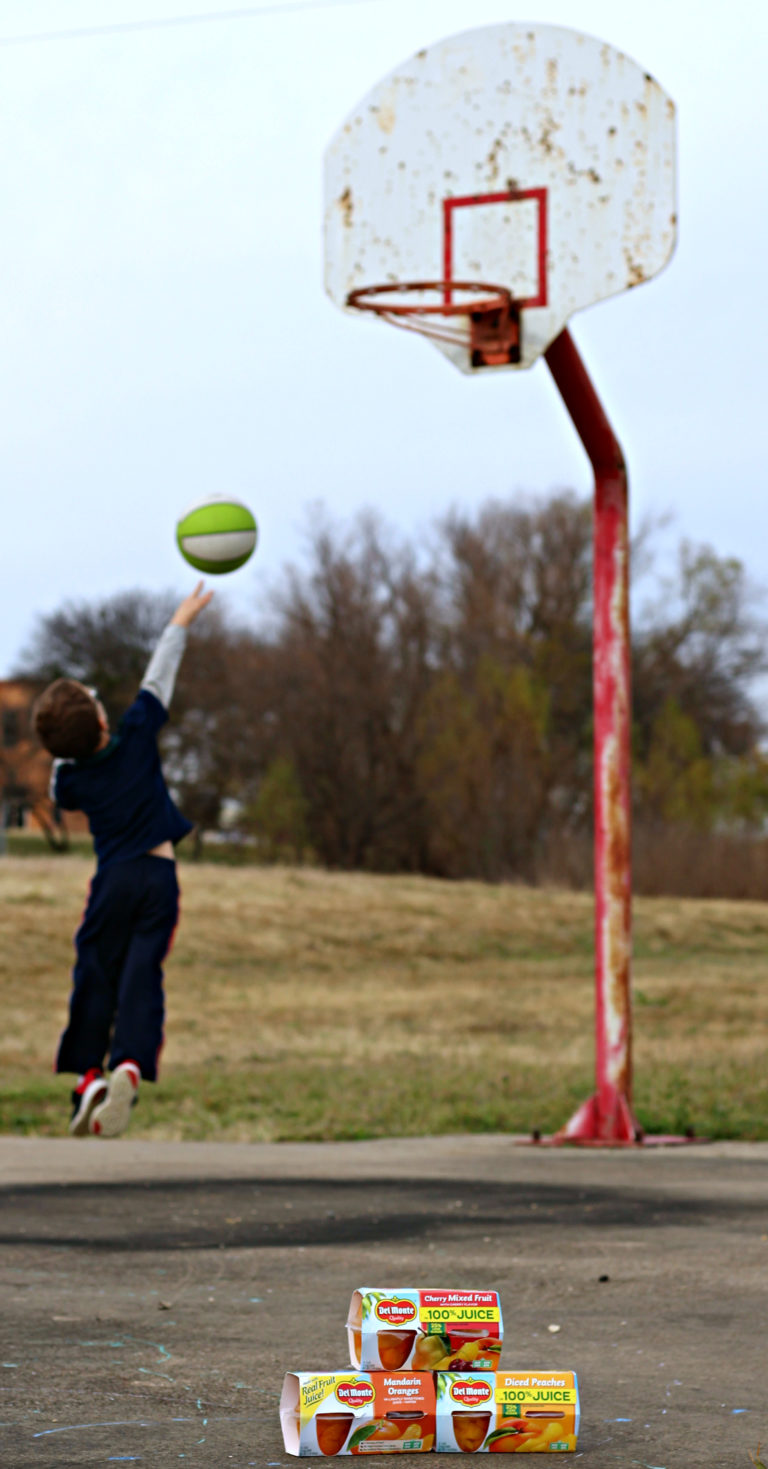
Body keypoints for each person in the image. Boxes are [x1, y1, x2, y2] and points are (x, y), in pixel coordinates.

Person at [33, 582, 213, 1138]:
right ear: (103, 722)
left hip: (113, 881)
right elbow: (159, 678)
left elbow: (58, 778)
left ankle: (88, 1075)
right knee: (142, 974)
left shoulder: (74, 781)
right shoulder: (136, 736)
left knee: (95, 971)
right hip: (159, 878)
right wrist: (179, 622)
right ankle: (129, 1064)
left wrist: (65, 740)